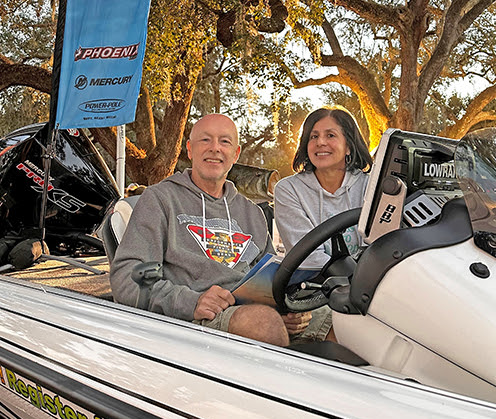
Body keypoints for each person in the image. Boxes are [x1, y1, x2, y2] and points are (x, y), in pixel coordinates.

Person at [110, 113, 311, 347]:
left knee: (340, 319)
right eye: (205, 140)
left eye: (224, 142)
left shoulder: (252, 213)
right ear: (189, 149)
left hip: (251, 313)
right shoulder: (160, 200)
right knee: (262, 323)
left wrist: (284, 308)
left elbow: (269, 279)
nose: (215, 148)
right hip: (193, 321)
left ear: (235, 154)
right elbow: (128, 279)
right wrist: (191, 302)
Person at [273, 106, 372, 341]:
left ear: (348, 145)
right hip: (316, 290)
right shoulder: (288, 190)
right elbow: (308, 257)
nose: (320, 143)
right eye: (313, 137)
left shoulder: (371, 186)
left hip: (368, 287)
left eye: (330, 135)